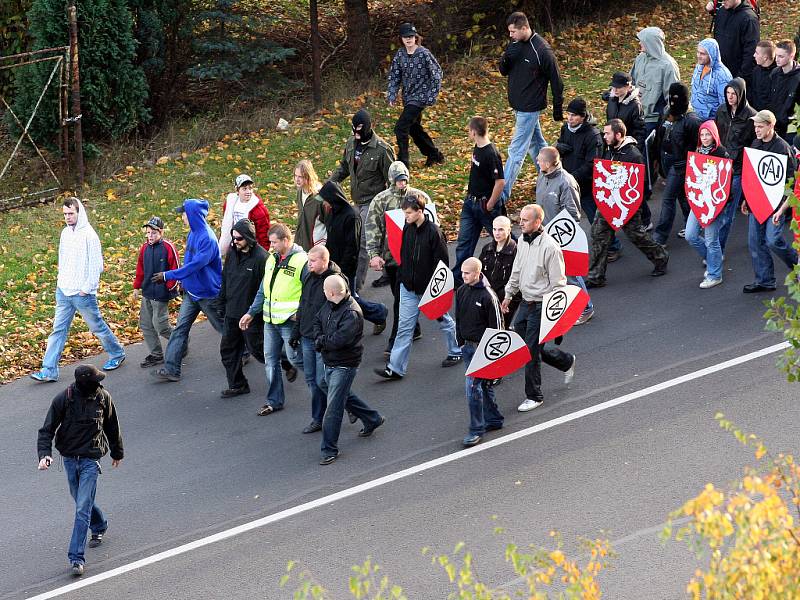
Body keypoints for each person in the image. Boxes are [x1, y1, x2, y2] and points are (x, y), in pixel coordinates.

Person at [37, 364, 123, 576]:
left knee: (81, 508)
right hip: (68, 459)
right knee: (81, 500)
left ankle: (76, 558)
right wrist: (44, 455)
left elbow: (112, 425)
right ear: (84, 385)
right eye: (95, 381)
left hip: (90, 460)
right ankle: (100, 524)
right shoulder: (63, 399)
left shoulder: (103, 397)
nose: (99, 383)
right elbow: (46, 430)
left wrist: (117, 452)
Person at [31, 198, 126, 382]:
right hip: (64, 291)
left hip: (82, 294)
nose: (67, 217)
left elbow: (97, 265)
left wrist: (86, 288)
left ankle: (117, 352)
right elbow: (62, 259)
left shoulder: (89, 235)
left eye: (71, 213)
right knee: (58, 330)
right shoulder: (65, 234)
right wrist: (61, 283)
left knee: (96, 326)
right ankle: (49, 370)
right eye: (65, 214)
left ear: (79, 212)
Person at [375, 193, 462, 380]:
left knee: (444, 320)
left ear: (420, 212)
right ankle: (395, 368)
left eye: (408, 212)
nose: (405, 216)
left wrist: (434, 290)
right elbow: (404, 256)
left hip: (429, 290)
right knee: (404, 328)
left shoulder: (434, 232)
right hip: (408, 287)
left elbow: (441, 264)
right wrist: (402, 278)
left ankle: (456, 350)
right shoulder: (407, 228)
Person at [502, 204, 575, 412]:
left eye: (525, 220)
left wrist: (555, 315)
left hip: (541, 305)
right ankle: (565, 361)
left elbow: (558, 284)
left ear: (537, 222)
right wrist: (508, 295)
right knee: (530, 346)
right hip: (525, 302)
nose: (520, 223)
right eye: (520, 219)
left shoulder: (550, 248)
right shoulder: (522, 242)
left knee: (530, 351)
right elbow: (516, 270)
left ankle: (534, 395)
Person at [586, 120, 669, 288]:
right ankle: (596, 276)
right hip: (608, 203)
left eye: (608, 133)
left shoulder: (633, 155)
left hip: (626, 205)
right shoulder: (608, 150)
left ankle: (660, 257)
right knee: (598, 234)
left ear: (618, 135)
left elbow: (638, 185)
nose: (604, 136)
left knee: (637, 236)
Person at [150, 199, 223, 382]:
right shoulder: (193, 233)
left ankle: (245, 350)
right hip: (192, 293)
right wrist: (184, 282)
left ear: (192, 216)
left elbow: (196, 266)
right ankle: (172, 369)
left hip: (208, 294)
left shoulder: (207, 238)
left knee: (223, 327)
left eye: (184, 214)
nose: (182, 217)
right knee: (180, 329)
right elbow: (188, 261)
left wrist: (169, 275)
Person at [315, 274, 385, 465]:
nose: (323, 293)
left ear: (330, 292)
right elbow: (317, 322)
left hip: (344, 364)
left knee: (334, 407)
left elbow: (339, 341)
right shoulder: (330, 304)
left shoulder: (351, 313)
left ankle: (329, 449)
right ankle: (372, 418)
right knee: (328, 387)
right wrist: (321, 338)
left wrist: (320, 340)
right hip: (330, 360)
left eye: (324, 290)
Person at [240, 223, 306, 415]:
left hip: (289, 322)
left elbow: (310, 292)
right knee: (270, 360)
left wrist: (301, 314)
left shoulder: (302, 260)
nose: (271, 246)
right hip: (270, 321)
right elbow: (263, 290)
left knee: (296, 359)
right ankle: (274, 400)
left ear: (286, 240)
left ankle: (325, 382)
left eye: (275, 242)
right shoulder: (271, 260)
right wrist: (251, 313)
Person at [499, 11, 564, 203]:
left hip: (530, 107)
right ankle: (552, 177)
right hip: (518, 105)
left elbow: (557, 80)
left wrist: (557, 106)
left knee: (516, 151)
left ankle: (502, 196)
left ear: (524, 28)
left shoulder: (542, 50)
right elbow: (503, 71)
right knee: (537, 145)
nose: (510, 35)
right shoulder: (515, 45)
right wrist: (506, 57)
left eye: (513, 32)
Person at [329, 108, 395, 292]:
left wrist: (388, 204)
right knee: (356, 239)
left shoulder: (382, 150)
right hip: (356, 201)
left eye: (360, 130)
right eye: (354, 131)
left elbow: (392, 180)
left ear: (368, 127)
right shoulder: (351, 143)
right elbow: (344, 167)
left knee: (364, 243)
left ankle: (354, 288)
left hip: (374, 202)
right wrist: (329, 185)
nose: (357, 135)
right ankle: (390, 269)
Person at [366, 160, 428, 354]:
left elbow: (432, 224)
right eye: (398, 180)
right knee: (399, 294)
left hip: (413, 259)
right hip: (391, 259)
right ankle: (414, 327)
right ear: (392, 180)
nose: (402, 183)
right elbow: (372, 228)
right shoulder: (381, 200)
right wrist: (374, 254)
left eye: (404, 179)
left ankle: (395, 343)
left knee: (401, 299)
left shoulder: (419, 197)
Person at [318, 180, 388, 333]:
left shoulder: (351, 216)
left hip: (345, 268)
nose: (324, 204)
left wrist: (341, 270)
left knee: (348, 299)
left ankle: (378, 313)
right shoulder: (332, 213)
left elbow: (352, 248)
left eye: (326, 200)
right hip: (333, 264)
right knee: (342, 298)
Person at [534, 146, 594, 324]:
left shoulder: (566, 182)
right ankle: (565, 306)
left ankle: (586, 307)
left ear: (548, 163)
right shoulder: (542, 176)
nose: (537, 161)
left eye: (539, 159)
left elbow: (573, 214)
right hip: (545, 233)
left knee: (570, 274)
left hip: (562, 238)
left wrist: (561, 237)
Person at [742, 110, 799, 293]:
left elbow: (791, 181)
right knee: (755, 241)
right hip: (757, 202)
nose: (756, 130)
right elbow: (752, 175)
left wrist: (782, 208)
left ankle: (796, 264)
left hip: (776, 205)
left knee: (773, 240)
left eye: (760, 126)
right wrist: (746, 198)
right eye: (755, 126)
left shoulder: (783, 148)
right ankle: (765, 280)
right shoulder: (755, 144)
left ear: (770, 126)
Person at [290, 245, 341, 434]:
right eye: (308, 260)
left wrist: (326, 336)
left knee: (322, 380)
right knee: (312, 379)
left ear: (324, 261)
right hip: (306, 336)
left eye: (312, 261)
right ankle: (318, 418)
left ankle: (348, 406)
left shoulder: (334, 281)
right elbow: (303, 306)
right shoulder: (309, 277)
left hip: (321, 339)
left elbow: (337, 312)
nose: (308, 264)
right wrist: (296, 332)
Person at [217, 218, 268, 397]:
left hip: (250, 315)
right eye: (233, 238)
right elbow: (225, 279)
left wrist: (257, 312)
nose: (235, 242)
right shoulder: (232, 253)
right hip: (232, 312)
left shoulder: (262, 258)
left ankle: (285, 363)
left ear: (249, 237)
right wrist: (221, 302)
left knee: (258, 350)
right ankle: (238, 385)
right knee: (227, 350)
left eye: (239, 238)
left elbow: (266, 290)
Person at [452, 116, 505, 287]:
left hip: (485, 206)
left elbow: (500, 182)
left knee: (502, 239)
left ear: (474, 132)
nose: (468, 133)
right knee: (464, 243)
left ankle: (523, 260)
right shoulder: (478, 147)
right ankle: (460, 277)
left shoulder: (491, 154)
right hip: (470, 204)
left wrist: (489, 204)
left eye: (469, 130)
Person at [456, 257, 503, 447]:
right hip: (468, 347)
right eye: (462, 272)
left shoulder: (488, 296)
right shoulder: (461, 291)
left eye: (467, 273)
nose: (463, 276)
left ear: (477, 273)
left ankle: (476, 429)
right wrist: (460, 342)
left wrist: (494, 359)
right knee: (483, 386)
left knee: (472, 388)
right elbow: (458, 317)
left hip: (481, 350)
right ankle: (494, 419)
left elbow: (498, 330)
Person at [387, 22, 445, 168]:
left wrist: (431, 95)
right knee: (413, 128)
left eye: (411, 36)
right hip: (408, 97)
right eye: (406, 37)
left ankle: (403, 162)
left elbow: (437, 74)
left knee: (400, 127)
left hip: (420, 97)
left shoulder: (424, 54)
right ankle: (434, 154)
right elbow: (394, 75)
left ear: (416, 37)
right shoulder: (400, 55)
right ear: (401, 38)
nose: (409, 39)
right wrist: (392, 94)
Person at [683, 121, 730, 288]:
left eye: (708, 134)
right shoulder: (697, 152)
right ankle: (713, 260)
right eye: (702, 135)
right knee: (690, 235)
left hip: (713, 203)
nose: (704, 138)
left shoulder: (722, 153)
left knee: (711, 240)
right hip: (698, 201)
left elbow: (725, 182)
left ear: (714, 135)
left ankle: (715, 274)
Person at [653, 82, 701, 244]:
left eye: (676, 98)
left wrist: (687, 164)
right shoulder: (667, 112)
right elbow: (659, 135)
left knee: (668, 198)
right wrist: (656, 158)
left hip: (680, 165)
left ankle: (660, 237)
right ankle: (692, 225)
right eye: (670, 98)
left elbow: (699, 146)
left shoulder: (692, 121)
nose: (672, 102)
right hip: (666, 160)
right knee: (682, 195)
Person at [715, 77, 756, 251]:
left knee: (728, 212)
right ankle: (715, 246)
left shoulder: (751, 116)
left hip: (738, 169)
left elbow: (754, 145)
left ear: (741, 95)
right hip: (720, 166)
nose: (730, 97)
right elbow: (717, 136)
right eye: (728, 93)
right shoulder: (722, 110)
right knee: (717, 208)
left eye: (734, 94)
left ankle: (719, 249)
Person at [133, 216, 179, 368]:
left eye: (153, 233)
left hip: (161, 293)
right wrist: (136, 287)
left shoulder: (167, 247)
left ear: (161, 232)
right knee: (146, 324)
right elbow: (140, 268)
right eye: (148, 233)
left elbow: (175, 268)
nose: (150, 236)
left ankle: (180, 342)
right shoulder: (144, 248)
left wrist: (170, 288)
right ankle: (156, 354)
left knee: (160, 325)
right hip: (147, 291)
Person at [556, 97, 602, 224]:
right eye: (568, 114)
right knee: (565, 218)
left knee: (595, 218)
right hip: (567, 183)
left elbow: (592, 164)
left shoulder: (593, 135)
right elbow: (560, 145)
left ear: (583, 117)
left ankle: (612, 243)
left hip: (585, 186)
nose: (569, 118)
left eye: (574, 115)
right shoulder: (566, 128)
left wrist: (572, 178)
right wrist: (558, 147)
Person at [630, 27, 681, 137]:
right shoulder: (640, 58)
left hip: (654, 119)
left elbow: (673, 97)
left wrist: (669, 121)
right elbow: (631, 80)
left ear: (650, 42)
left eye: (642, 40)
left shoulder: (668, 65)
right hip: (636, 114)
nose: (639, 43)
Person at [479, 216, 520, 328]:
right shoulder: (487, 249)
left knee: (502, 327)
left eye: (501, 229)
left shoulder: (516, 251)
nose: (497, 233)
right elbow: (480, 273)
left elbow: (516, 279)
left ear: (509, 230)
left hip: (506, 298)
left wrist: (507, 298)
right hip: (488, 296)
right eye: (494, 229)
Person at [218, 174, 270, 256]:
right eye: (244, 189)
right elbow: (226, 224)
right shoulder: (231, 203)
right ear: (237, 190)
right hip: (235, 243)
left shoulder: (257, 209)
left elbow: (263, 233)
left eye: (250, 188)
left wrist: (262, 253)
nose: (248, 192)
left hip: (250, 247)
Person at [710, 0, 759, 86]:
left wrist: (739, 80)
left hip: (738, 80)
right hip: (719, 76)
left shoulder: (749, 19)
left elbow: (750, 54)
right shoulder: (721, 13)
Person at [690, 38, 733, 121]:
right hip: (694, 118)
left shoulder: (722, 76)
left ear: (711, 54)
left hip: (710, 122)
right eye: (698, 52)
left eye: (702, 54)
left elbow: (725, 105)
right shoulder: (699, 67)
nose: (698, 56)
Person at [767, 40, 800, 144]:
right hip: (774, 125)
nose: (776, 59)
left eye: (781, 56)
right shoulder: (774, 73)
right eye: (776, 55)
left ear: (791, 56)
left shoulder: (798, 79)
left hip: (791, 128)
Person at [604, 72, 646, 150]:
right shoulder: (611, 101)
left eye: (619, 87)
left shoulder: (635, 105)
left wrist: (635, 150)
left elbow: (640, 131)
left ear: (628, 87)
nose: (615, 90)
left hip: (627, 147)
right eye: (613, 87)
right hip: (611, 144)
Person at [293, 159, 327, 251]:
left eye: (301, 176)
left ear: (309, 176)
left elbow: (328, 220)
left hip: (317, 243)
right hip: (301, 241)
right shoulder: (300, 191)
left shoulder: (319, 196)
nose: (297, 179)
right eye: (296, 176)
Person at [750, 40, 776, 111]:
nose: (754, 55)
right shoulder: (756, 70)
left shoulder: (777, 75)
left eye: (757, 53)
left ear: (765, 58)